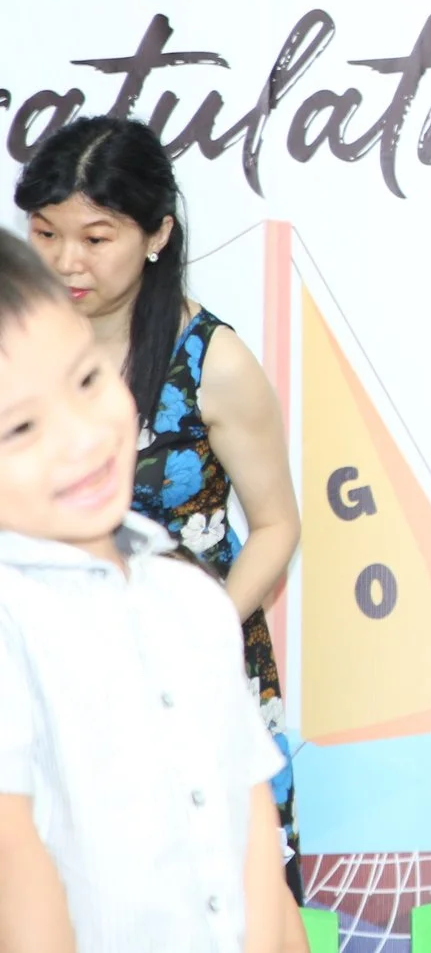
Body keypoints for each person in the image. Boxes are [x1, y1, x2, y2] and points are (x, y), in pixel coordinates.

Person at [14, 116, 304, 878]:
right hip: (52, 672)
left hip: (191, 673)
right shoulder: (17, 356)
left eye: (96, 237)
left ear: (157, 233)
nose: (66, 260)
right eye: (45, 233)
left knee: (220, 887)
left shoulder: (212, 360)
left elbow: (277, 523)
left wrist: (198, 634)